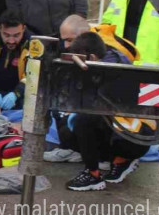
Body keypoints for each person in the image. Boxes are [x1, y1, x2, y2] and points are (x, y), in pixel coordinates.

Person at [64, 32, 154, 191]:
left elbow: (96, 108)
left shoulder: (113, 73)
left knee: (82, 122)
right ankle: (120, 161)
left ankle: (93, 175)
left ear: (91, 57)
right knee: (67, 129)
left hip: (134, 138)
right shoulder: (112, 59)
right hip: (130, 135)